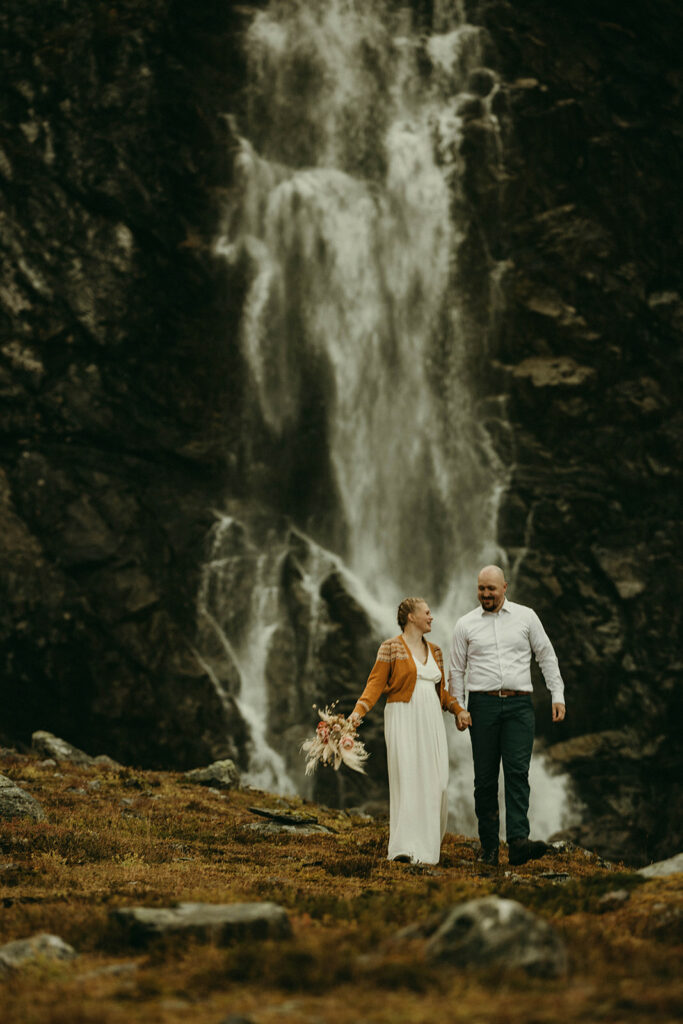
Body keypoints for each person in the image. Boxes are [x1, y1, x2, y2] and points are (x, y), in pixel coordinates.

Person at [448, 566, 566, 867]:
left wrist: (557, 694)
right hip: (482, 706)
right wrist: (460, 708)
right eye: (481, 588)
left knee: (517, 773)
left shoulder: (527, 617)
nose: (486, 594)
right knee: (485, 779)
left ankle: (517, 843)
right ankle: (489, 849)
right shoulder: (465, 624)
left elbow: (546, 655)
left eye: (492, 588)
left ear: (505, 587)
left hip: (519, 706)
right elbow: (456, 671)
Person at [349, 597, 465, 865]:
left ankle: (428, 846)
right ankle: (404, 848)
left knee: (439, 783)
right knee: (408, 779)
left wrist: (458, 709)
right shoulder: (390, 648)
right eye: (427, 612)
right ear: (411, 617)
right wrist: (358, 713)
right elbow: (375, 683)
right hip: (402, 715)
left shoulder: (436, 651)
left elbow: (441, 692)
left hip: (431, 719)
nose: (431, 617)